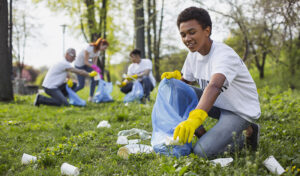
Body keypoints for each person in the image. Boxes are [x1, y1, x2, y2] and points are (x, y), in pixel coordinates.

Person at [161, 7, 261, 158]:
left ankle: (249, 133)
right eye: (183, 35)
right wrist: (175, 79)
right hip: (219, 104)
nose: (187, 38)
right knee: (177, 90)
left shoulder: (223, 54)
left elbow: (214, 86)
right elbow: (184, 83)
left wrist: (195, 118)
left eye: (192, 32)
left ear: (207, 31)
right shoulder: (193, 55)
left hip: (238, 110)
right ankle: (204, 136)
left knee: (202, 152)